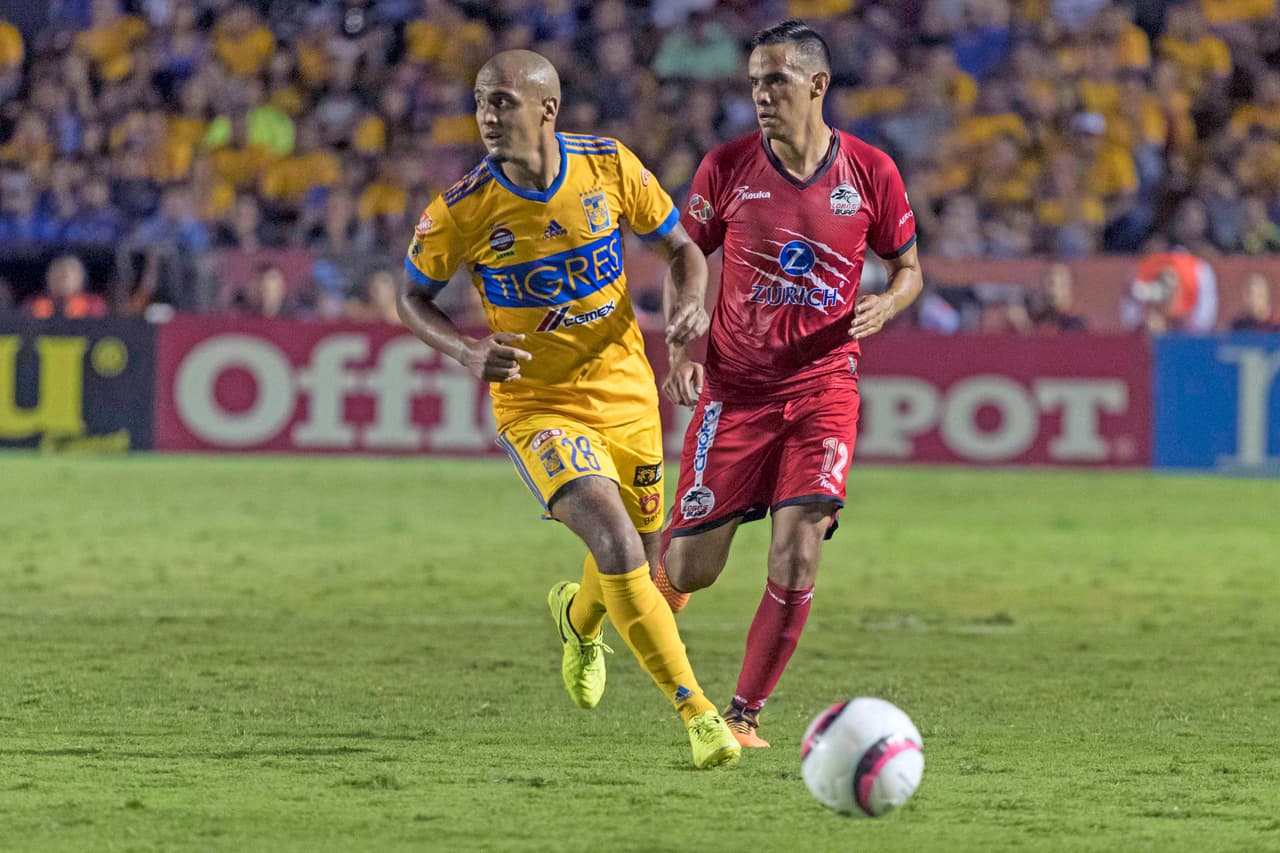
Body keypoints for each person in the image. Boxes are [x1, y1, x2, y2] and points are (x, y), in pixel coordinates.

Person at [397, 49, 740, 769]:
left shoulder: (608, 166)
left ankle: (577, 621)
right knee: (614, 542)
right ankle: (700, 713)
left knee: (642, 568)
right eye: (482, 101)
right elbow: (412, 296)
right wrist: (464, 352)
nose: (488, 115)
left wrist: (686, 326)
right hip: (536, 403)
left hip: (627, 392)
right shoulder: (460, 209)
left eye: (504, 102)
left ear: (547, 110)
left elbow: (684, 250)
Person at [653, 20, 923, 749]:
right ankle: (621, 593)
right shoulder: (728, 167)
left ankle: (743, 714)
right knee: (689, 566)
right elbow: (688, 256)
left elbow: (909, 268)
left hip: (825, 388)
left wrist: (888, 302)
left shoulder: (870, 172)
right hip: (735, 394)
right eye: (753, 83)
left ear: (817, 84)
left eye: (774, 81)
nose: (761, 96)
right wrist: (684, 343)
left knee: (800, 546)